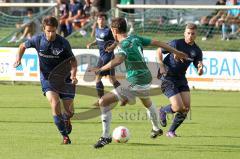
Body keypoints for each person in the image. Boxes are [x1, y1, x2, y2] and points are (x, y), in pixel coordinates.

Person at [88, 17, 189, 148]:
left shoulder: (124, 45)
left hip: (135, 80)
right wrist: (176, 52)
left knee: (103, 101)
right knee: (146, 102)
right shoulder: (134, 38)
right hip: (146, 77)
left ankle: (106, 136)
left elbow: (118, 60)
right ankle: (156, 128)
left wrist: (100, 69)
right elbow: (158, 42)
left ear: (113, 30)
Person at [13, 16, 78, 144]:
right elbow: (22, 46)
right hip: (47, 78)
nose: (51, 34)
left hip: (65, 79)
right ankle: (65, 137)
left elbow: (73, 61)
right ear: (44, 29)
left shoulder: (63, 43)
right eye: (48, 31)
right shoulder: (37, 40)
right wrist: (18, 59)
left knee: (70, 112)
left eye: (53, 31)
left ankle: (66, 118)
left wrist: (73, 75)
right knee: (54, 103)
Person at [157, 23, 203, 138]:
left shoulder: (197, 51)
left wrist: (200, 68)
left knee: (186, 108)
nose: (190, 36)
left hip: (181, 78)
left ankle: (171, 132)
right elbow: (159, 50)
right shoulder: (176, 43)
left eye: (193, 33)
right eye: (188, 33)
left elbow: (198, 66)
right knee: (178, 107)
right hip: (167, 77)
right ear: (184, 33)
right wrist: (161, 65)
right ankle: (162, 110)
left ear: (196, 34)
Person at [86, 12, 121, 106]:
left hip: (107, 57)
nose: (101, 20)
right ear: (97, 20)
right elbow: (98, 40)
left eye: (102, 19)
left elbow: (117, 40)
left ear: (105, 20)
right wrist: (91, 44)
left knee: (97, 77)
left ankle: (101, 100)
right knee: (112, 79)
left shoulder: (109, 31)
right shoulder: (97, 30)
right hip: (103, 57)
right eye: (99, 19)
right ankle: (123, 96)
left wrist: (112, 47)